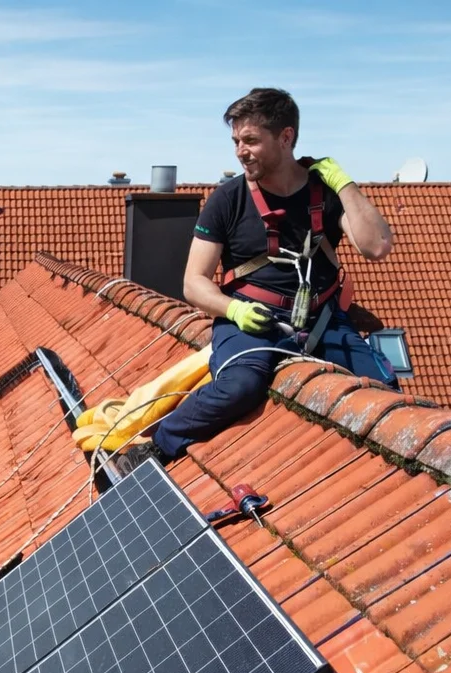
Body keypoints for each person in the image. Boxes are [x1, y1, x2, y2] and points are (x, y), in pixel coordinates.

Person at [151, 87, 398, 463]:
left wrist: (343, 183)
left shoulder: (324, 194)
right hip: (251, 322)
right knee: (240, 387)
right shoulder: (228, 199)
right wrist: (232, 310)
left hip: (321, 321)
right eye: (236, 140)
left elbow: (376, 247)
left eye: (250, 140)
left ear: (286, 138)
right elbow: (193, 283)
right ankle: (158, 446)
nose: (239, 151)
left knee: (385, 392)